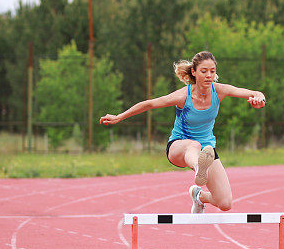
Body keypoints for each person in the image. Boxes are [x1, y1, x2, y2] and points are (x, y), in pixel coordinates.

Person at [99, 51, 265, 213]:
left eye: (212, 72)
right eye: (204, 71)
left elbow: (254, 93)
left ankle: (199, 196)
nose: (209, 75)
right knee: (194, 144)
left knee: (225, 203)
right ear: (194, 72)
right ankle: (199, 167)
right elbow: (150, 104)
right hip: (179, 147)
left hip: (206, 149)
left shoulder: (219, 91)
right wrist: (119, 117)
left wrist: (259, 99)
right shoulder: (183, 96)